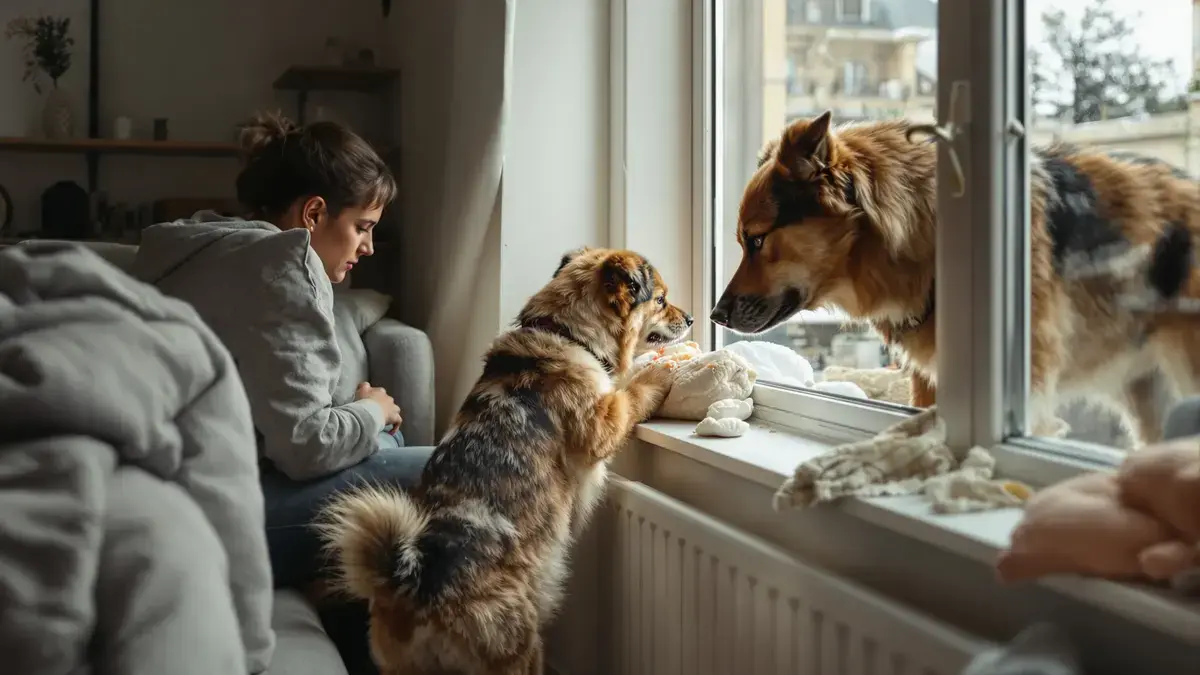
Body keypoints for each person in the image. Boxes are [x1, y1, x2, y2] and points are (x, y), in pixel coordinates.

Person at [131, 111, 433, 675]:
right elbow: (304, 447)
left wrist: (367, 423)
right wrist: (372, 410)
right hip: (209, 518)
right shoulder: (286, 261)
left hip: (168, 498)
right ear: (314, 212)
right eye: (363, 225)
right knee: (442, 471)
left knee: (385, 463)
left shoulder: (203, 249)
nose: (368, 246)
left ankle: (342, 618)